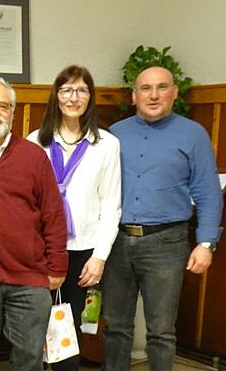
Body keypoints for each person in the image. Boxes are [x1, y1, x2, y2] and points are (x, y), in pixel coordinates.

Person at [102, 66, 222, 371]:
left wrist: (206, 244)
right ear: (134, 95)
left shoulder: (193, 135)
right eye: (145, 88)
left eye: (161, 87)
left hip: (166, 243)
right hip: (115, 242)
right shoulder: (115, 134)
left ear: (174, 92)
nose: (153, 95)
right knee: (115, 327)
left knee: (161, 332)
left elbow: (208, 191)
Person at [0, 77, 68, 371]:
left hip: (29, 277)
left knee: (29, 360)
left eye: (3, 106)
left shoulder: (33, 156)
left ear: (13, 113)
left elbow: (53, 214)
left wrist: (57, 266)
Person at [27, 65, 121, 371]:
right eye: (67, 90)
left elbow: (111, 204)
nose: (74, 97)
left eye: (82, 90)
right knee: (35, 325)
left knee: (67, 326)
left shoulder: (106, 145)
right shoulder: (34, 142)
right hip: (39, 249)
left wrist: (100, 257)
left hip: (83, 250)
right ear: (56, 96)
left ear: (90, 97)